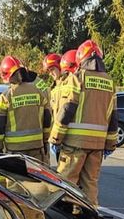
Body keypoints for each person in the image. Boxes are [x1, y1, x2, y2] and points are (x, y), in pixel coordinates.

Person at [50, 40, 117, 204]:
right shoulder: (110, 82)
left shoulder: (77, 78)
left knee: (66, 182)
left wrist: (55, 138)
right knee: (90, 184)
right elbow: (113, 117)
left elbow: (67, 109)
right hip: (97, 146)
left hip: (75, 143)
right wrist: (110, 145)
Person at [0, 56, 50, 163]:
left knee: (17, 179)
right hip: (36, 146)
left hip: (15, 150)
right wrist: (45, 140)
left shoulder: (6, 96)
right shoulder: (38, 92)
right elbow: (47, 118)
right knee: (37, 178)